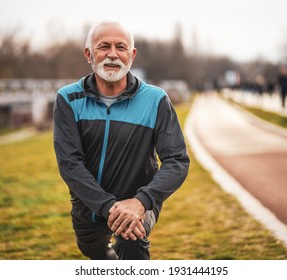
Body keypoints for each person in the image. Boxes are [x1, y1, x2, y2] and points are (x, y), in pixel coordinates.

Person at [53, 21, 190, 260]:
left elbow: (177, 160)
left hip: (140, 203)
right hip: (89, 206)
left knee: (131, 239)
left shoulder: (155, 100)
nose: (113, 54)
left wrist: (140, 202)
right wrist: (109, 208)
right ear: (89, 54)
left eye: (121, 47)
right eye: (104, 46)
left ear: (132, 55)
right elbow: (70, 164)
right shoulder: (68, 98)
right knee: (95, 253)